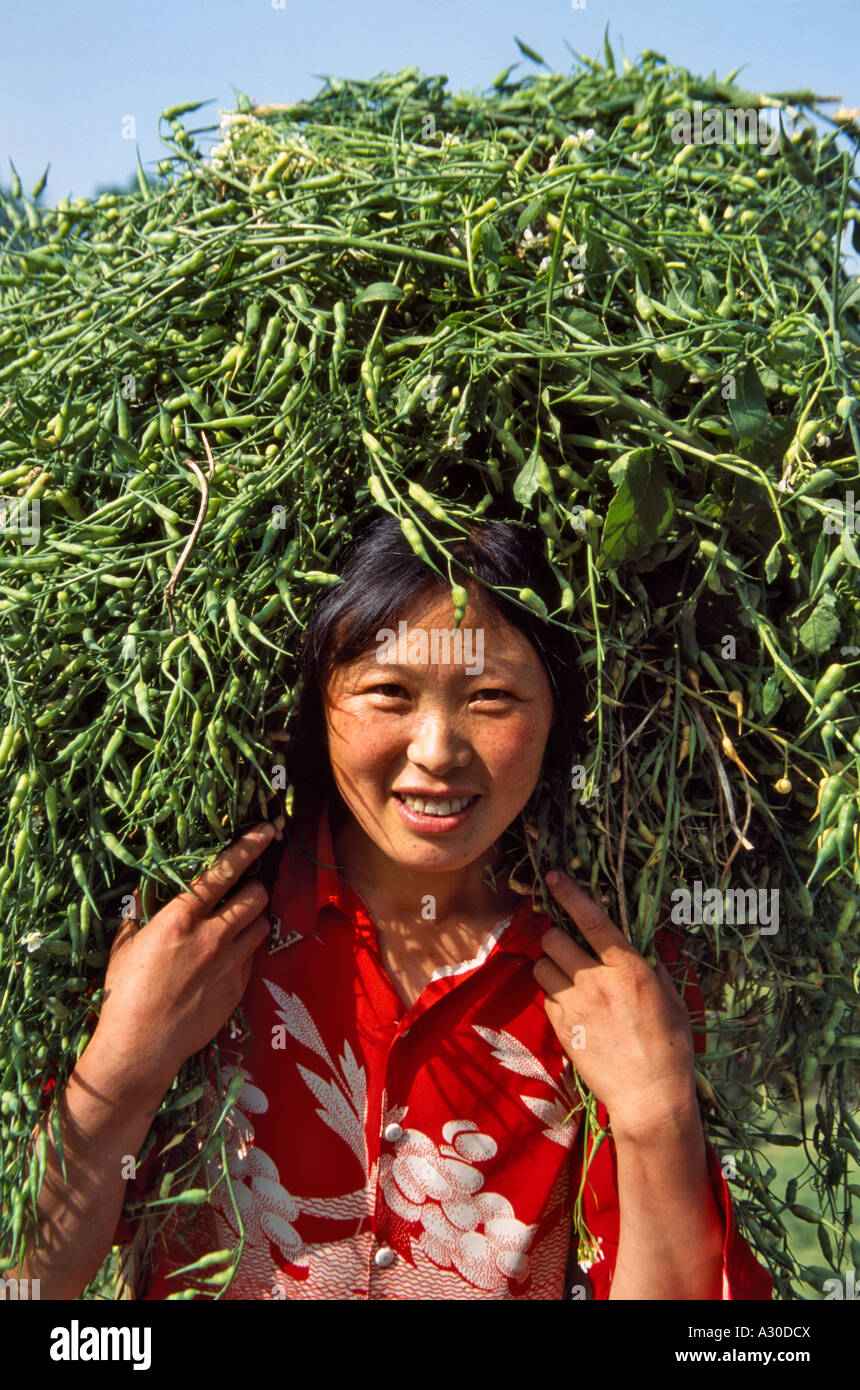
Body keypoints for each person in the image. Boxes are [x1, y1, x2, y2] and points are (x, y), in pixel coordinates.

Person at [7, 516, 773, 1300]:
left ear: (559, 712)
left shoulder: (618, 985)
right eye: (388, 693)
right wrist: (122, 1069)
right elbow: (28, 1283)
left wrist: (657, 1115)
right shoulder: (176, 947)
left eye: (491, 697)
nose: (438, 749)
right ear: (317, 703)